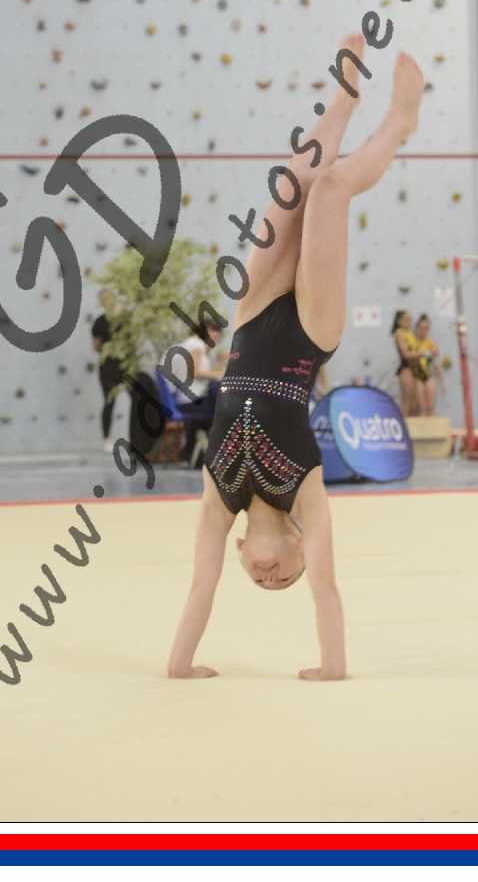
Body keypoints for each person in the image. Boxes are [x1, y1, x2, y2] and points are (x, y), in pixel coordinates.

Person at [166, 37, 425, 681]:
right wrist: (331, 668)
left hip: (251, 320)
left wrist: (180, 667)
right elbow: (328, 590)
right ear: (304, 549)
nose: (270, 577)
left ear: (239, 549)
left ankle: (343, 96)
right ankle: (399, 122)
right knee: (330, 189)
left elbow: (199, 589)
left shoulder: (218, 497)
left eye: (260, 580)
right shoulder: (306, 493)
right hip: (310, 333)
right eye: (286, 578)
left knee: (293, 183)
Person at [170, 325, 225, 466]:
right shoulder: (197, 345)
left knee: (217, 407)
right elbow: (195, 373)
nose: (216, 340)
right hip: (192, 401)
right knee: (225, 409)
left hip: (187, 399)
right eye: (215, 336)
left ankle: (193, 452)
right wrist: (220, 374)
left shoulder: (189, 343)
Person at [91, 289, 125, 451]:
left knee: (137, 398)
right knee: (109, 401)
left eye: (108, 298)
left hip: (126, 365)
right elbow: (96, 347)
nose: (106, 301)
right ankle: (107, 438)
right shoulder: (100, 322)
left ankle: (138, 437)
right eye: (103, 299)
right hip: (108, 367)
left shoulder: (125, 319)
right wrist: (109, 347)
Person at [412, 314, 443, 416]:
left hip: (427, 374)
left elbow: (436, 362)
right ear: (417, 328)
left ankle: (431, 412)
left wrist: (442, 381)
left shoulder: (430, 343)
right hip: (416, 374)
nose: (423, 331)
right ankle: (423, 412)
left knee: (430, 385)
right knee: (419, 386)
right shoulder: (412, 342)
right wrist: (424, 353)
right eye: (421, 328)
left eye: (426, 329)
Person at [391, 310, 419, 416]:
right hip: (406, 369)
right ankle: (405, 422)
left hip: (414, 369)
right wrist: (422, 353)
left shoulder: (410, 334)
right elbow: (405, 354)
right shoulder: (399, 333)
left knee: (414, 402)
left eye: (410, 319)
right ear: (399, 321)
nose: (409, 322)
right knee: (407, 401)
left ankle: (412, 423)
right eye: (406, 319)